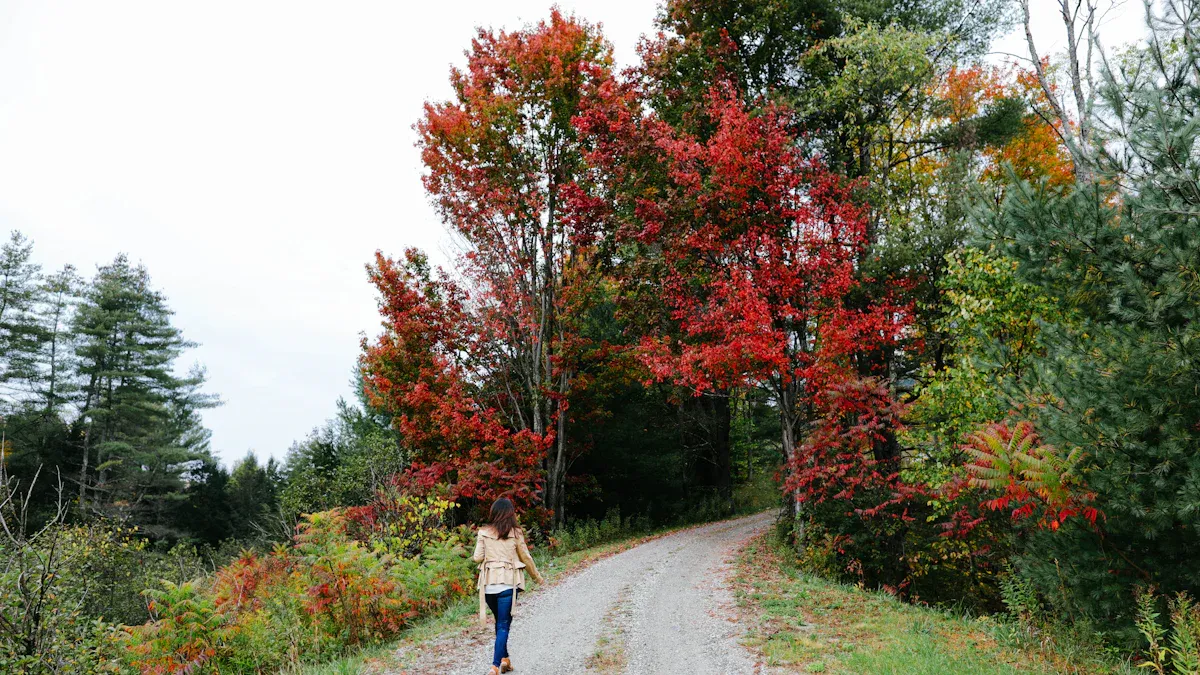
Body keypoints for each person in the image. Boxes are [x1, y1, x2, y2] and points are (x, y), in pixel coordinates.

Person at [473, 497, 545, 675]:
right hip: (507, 584)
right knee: (504, 625)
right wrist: (537, 578)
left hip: (489, 585)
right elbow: (526, 558)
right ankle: (495, 666)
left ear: (493, 513)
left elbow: (477, 557)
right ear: (511, 514)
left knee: (499, 623)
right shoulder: (516, 533)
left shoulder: (483, 532)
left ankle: (505, 661)